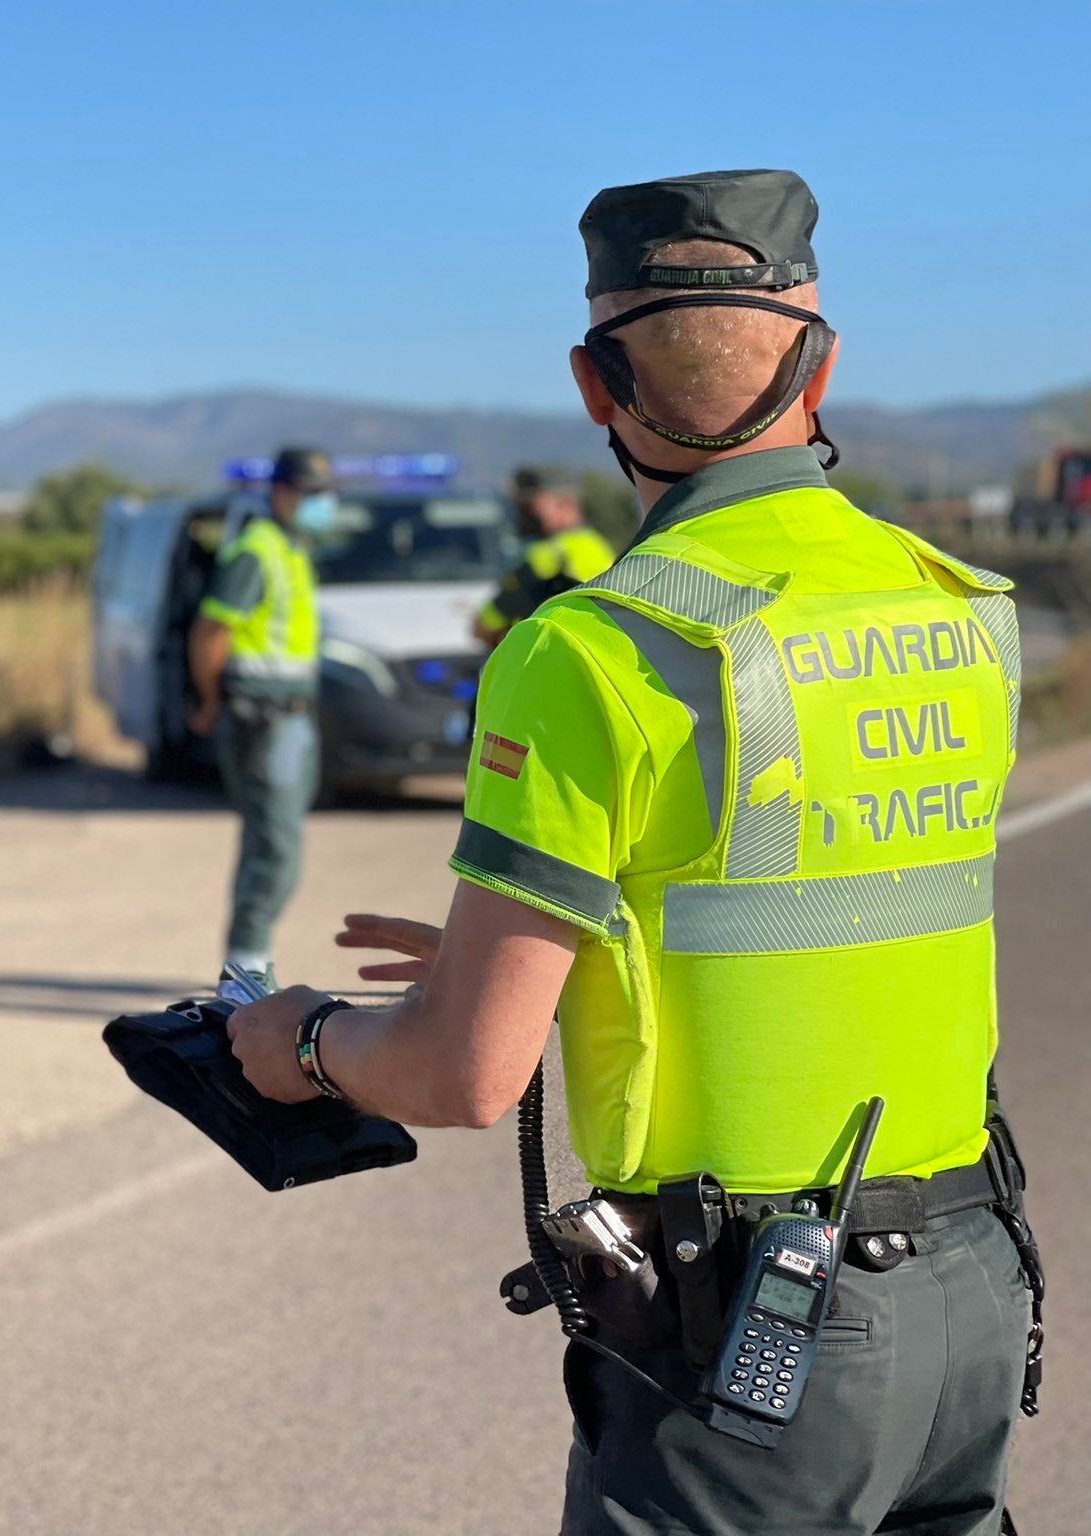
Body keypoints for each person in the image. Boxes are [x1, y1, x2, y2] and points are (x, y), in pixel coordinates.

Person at [226, 170, 1036, 1534]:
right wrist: (565, 959)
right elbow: (820, 902)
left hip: (759, 1339)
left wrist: (302, 1045)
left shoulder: (591, 650)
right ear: (822, 361)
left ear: (600, 385)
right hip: (970, 1290)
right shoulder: (963, 607)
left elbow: (459, 1074)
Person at [187, 447, 334, 983]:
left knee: (269, 845)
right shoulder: (257, 551)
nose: (322, 504)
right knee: (276, 850)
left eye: (325, 493)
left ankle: (244, 966)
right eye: (310, 494)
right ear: (280, 493)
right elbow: (209, 632)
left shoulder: (292, 549)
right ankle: (245, 971)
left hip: (290, 717)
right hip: (264, 718)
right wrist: (208, 700)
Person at [473, 469, 616, 647]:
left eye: (529, 507)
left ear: (565, 504)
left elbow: (484, 626)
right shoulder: (600, 546)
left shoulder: (546, 555)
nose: (522, 516)